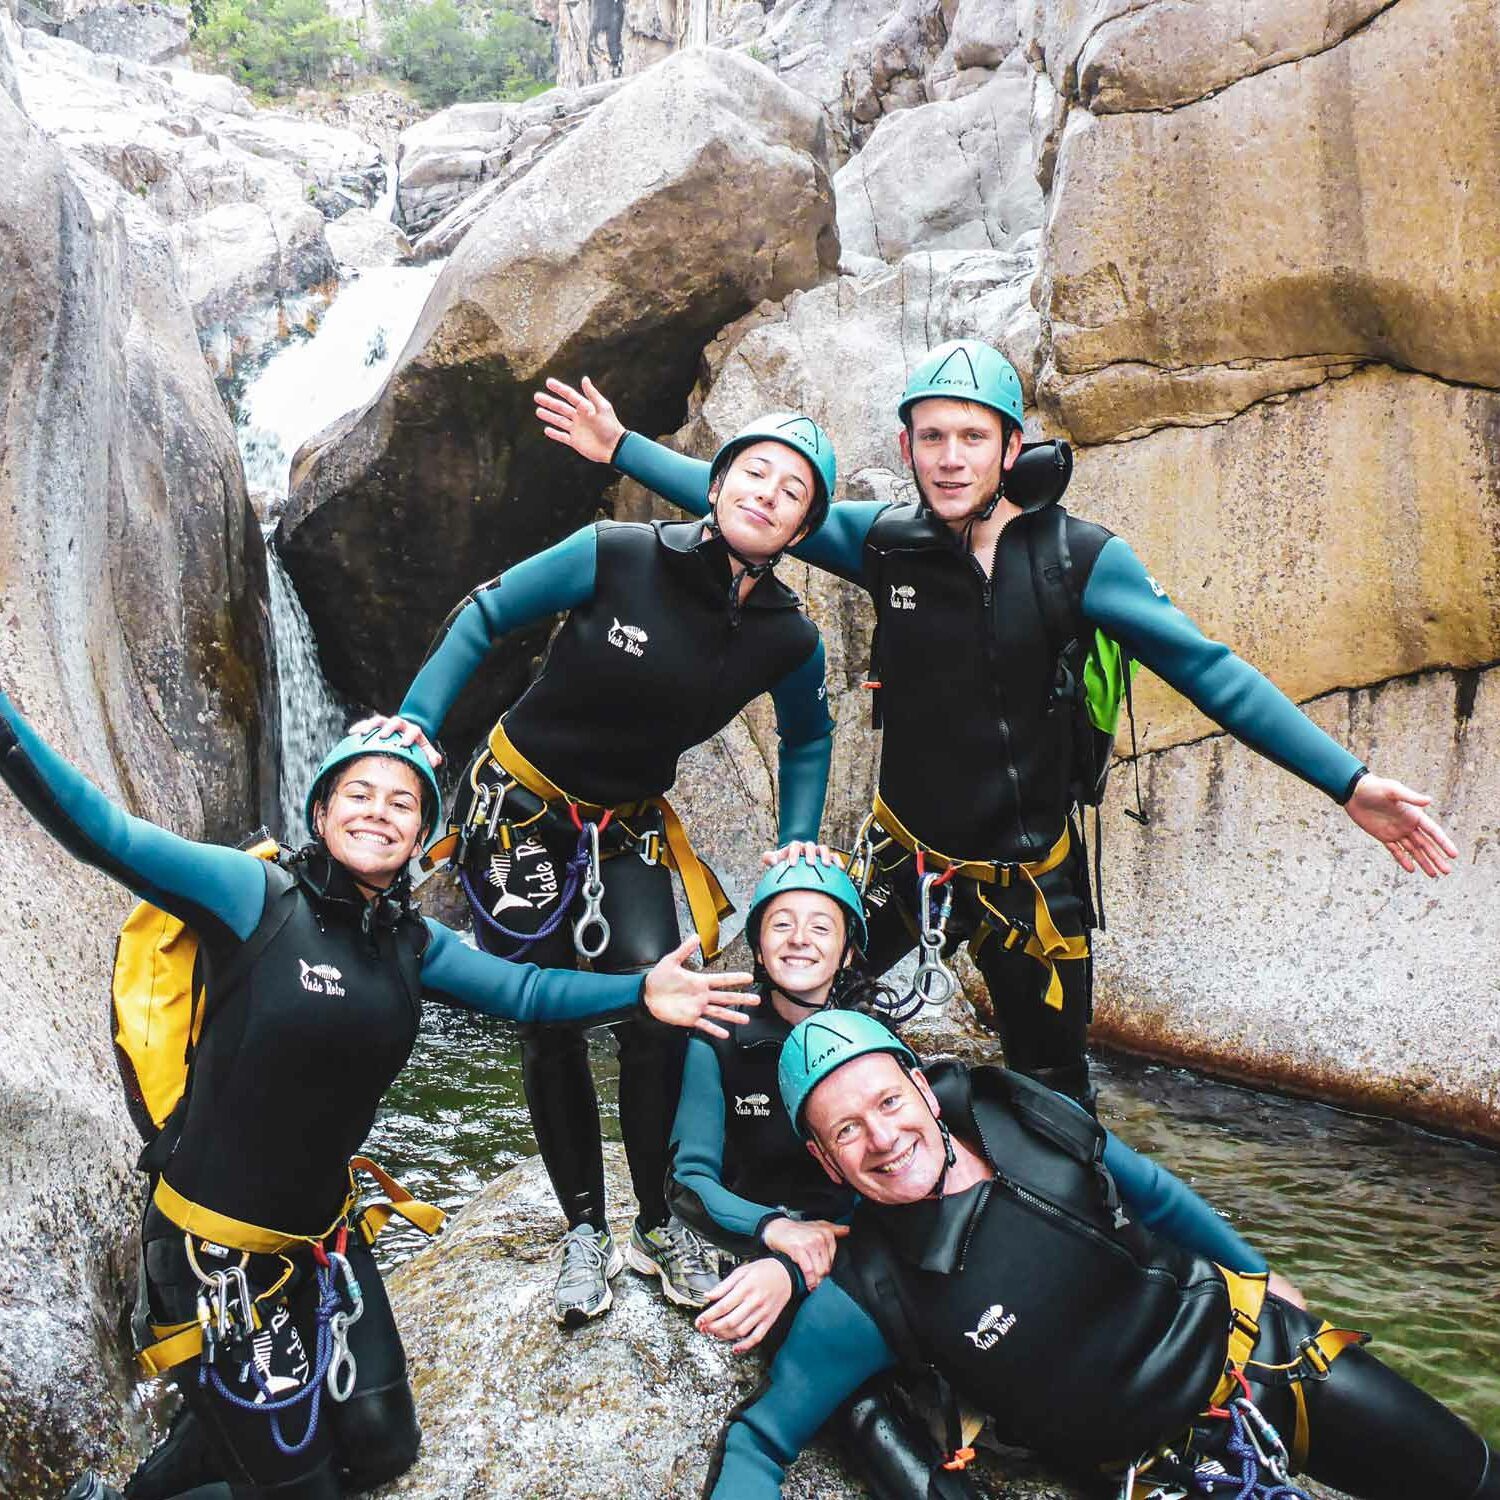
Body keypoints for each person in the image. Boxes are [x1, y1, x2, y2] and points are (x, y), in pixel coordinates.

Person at [534, 358, 1458, 1110]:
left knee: (1055, 1088)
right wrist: (622, 447)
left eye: (972, 435)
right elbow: (752, 496)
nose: (949, 456)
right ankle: (779, 1207)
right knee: (779, 1023)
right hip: (899, 862)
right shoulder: (884, 543)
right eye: (931, 436)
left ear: (1012, 446)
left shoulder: (1079, 560)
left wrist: (1350, 782)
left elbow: (1212, 674)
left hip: (1032, 885)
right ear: (906, 445)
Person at [0, 696, 755, 1500]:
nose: (379, 812)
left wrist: (644, 992)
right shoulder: (251, 894)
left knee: (384, 1448)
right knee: (308, 1488)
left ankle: (208, 1434)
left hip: (322, 1239)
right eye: (357, 793)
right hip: (214, 1260)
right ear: (320, 810)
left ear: (421, 836)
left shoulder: (411, 942)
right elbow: (105, 833)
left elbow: (528, 991)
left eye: (403, 802)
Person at [354, 409, 839, 1325]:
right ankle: (585, 1229)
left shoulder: (787, 634)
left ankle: (657, 1223)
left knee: (663, 1008)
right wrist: (416, 723)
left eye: (792, 493)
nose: (766, 496)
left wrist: (797, 833)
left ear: (803, 529)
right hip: (520, 810)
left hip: (625, 828)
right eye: (754, 473)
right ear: (718, 480)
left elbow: (810, 733)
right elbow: (487, 612)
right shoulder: (618, 552)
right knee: (548, 1024)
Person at [703, 1011, 1499, 1500]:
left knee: (1472, 1479)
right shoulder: (867, 1290)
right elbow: (761, 1439)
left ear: (919, 1086)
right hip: (1162, 1473)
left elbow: (1153, 1193)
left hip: (1266, 1355)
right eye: (847, 1131)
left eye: (886, 1101)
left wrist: (1261, 1274)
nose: (883, 1138)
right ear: (824, 1159)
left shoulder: (1011, 1110)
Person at [669, 854, 977, 1499]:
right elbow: (689, 1183)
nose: (799, 939)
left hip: (876, 1238)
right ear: (756, 942)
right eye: (781, 924)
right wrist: (774, 1231)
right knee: (852, 1398)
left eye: (820, 927)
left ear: (847, 953)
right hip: (780, 1245)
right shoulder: (720, 1035)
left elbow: (933, 1158)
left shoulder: (877, 1039)